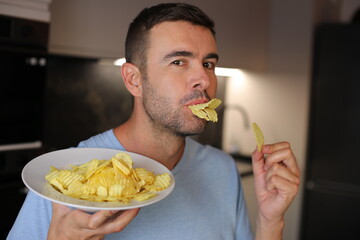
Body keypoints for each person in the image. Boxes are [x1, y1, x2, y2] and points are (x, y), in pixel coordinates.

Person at [8, 3, 300, 240]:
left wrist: (269, 221)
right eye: (178, 62)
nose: (204, 79)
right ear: (134, 80)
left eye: (208, 64)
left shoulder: (222, 170)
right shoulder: (65, 180)